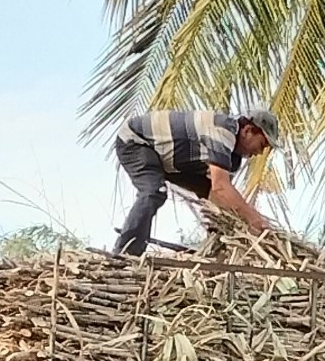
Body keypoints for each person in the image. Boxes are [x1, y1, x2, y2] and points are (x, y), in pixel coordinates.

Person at [111, 104, 282, 255]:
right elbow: (221, 187)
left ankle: (215, 249)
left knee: (212, 197)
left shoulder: (233, 159)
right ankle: (127, 252)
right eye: (262, 145)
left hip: (169, 160)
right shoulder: (223, 131)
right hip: (137, 141)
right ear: (248, 131)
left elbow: (219, 195)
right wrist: (254, 218)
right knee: (154, 192)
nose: (260, 153)